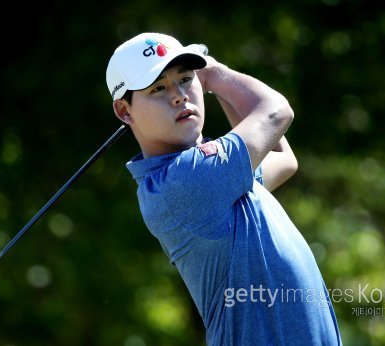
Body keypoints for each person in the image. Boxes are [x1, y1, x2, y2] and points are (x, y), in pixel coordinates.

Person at [106, 32, 342, 345]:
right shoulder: (185, 180)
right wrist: (215, 74)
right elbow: (276, 112)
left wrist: (212, 85)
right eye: (158, 88)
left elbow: (281, 159)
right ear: (125, 111)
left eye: (185, 79)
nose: (179, 95)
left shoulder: (215, 173)